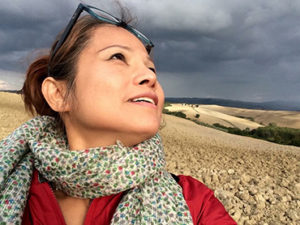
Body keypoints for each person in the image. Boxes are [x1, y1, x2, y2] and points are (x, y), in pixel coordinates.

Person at [0, 3, 237, 225]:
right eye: (118, 57)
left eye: (151, 67)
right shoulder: (10, 185)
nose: (151, 76)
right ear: (59, 94)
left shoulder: (196, 204)